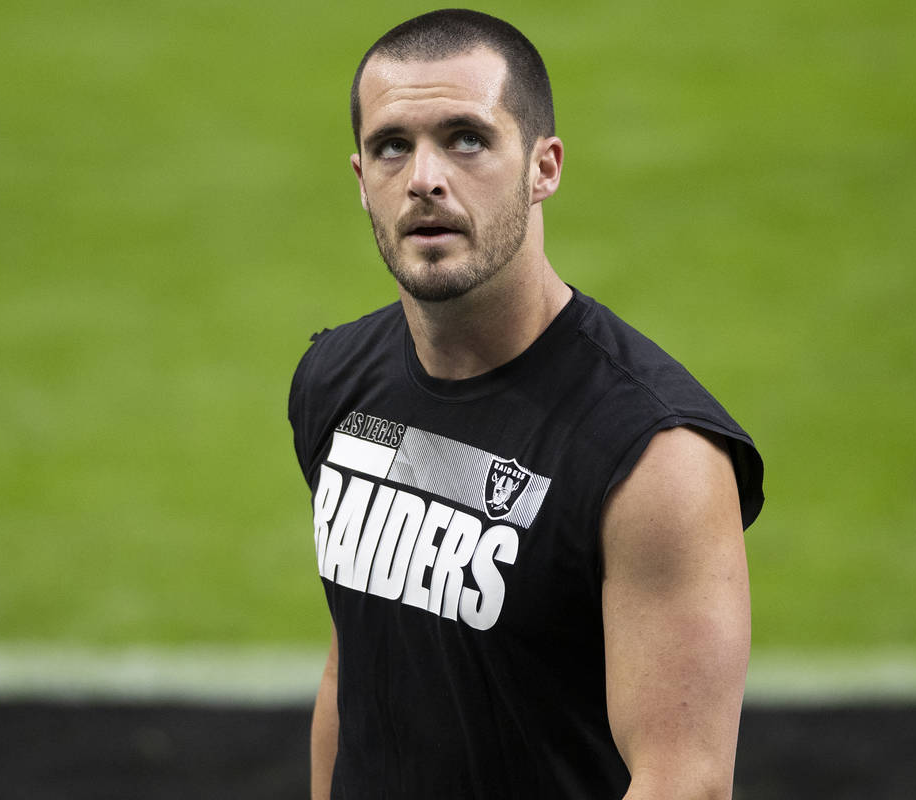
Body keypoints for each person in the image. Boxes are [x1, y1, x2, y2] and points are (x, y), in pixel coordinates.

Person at [288, 9, 764, 799]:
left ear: (544, 167)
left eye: (466, 138)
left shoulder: (655, 457)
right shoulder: (337, 380)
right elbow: (354, 670)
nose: (425, 179)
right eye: (392, 146)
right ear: (361, 179)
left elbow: (685, 780)